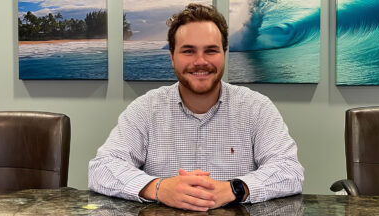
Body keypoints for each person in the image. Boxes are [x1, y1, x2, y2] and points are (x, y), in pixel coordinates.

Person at [88, 3, 304, 211]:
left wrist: (233, 189)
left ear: (224, 54)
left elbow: (289, 170)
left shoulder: (257, 108)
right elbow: (102, 168)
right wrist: (159, 189)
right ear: (172, 57)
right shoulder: (145, 109)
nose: (200, 61)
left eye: (211, 50)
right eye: (188, 51)